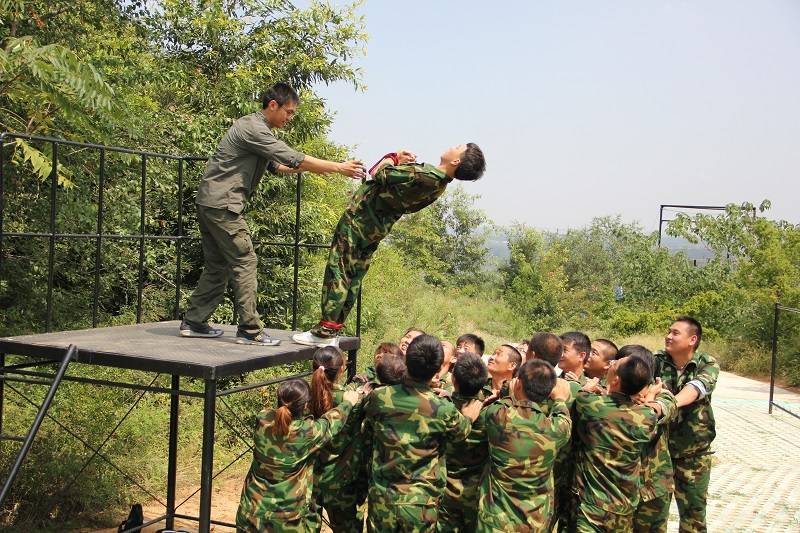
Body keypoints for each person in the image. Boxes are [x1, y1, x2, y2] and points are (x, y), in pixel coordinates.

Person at [180, 82, 365, 345]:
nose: (290, 118)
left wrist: (315, 168)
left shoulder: (257, 129)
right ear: (273, 105)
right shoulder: (254, 129)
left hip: (211, 202)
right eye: (288, 112)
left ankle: (194, 321)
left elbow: (279, 166)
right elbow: (292, 157)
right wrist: (338, 167)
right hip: (223, 205)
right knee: (245, 260)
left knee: (218, 265)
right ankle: (249, 331)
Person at [293, 143, 486, 347]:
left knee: (339, 271)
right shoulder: (438, 184)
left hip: (360, 221)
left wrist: (394, 158)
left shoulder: (426, 174)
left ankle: (324, 331)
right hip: (374, 227)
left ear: (456, 161)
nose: (451, 147)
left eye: (457, 147)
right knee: (353, 276)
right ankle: (332, 329)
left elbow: (380, 174)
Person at [362, 334, 482, 532]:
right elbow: (461, 433)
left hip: (383, 497)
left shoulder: (380, 397)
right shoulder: (443, 409)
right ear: (437, 370)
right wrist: (468, 417)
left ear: (406, 360)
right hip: (421, 504)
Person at [235, 378, 359, 532]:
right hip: (286, 518)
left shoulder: (263, 418)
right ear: (306, 405)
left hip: (250, 511)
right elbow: (330, 423)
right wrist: (348, 402)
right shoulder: (306, 432)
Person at [573, 350, 676, 533]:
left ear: (616, 379)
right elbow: (652, 412)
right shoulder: (646, 416)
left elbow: (582, 396)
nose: (611, 364)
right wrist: (650, 398)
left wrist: (590, 387)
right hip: (625, 505)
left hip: (594, 506)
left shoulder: (592, 405)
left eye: (614, 364)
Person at [476, 359, 573, 532]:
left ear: (518, 384)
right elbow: (562, 412)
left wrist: (509, 394)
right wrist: (559, 399)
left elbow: (487, 414)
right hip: (535, 521)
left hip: (496, 520)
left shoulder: (498, 414)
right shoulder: (558, 428)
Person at [653, 316, 719, 532]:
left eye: (675, 333)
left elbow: (696, 388)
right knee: (652, 517)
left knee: (693, 518)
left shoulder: (706, 363)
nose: (668, 336)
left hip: (694, 456)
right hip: (658, 454)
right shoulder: (655, 361)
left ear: (692, 339)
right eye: (668, 331)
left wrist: (666, 404)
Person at [309, 347, 364, 533]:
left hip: (309, 480)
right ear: (342, 370)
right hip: (341, 481)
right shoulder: (351, 399)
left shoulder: (303, 395)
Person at [439, 352, 490, 532]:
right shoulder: (490, 413)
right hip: (474, 493)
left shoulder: (441, 408)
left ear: (453, 379)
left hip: (442, 489)